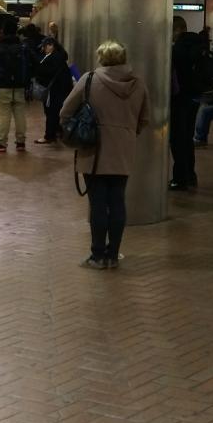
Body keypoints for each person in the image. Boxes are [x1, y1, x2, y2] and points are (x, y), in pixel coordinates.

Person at [61, 40, 149, 270]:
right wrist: (127, 134)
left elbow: (65, 112)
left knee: (98, 203)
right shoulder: (138, 84)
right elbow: (144, 118)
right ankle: (113, 254)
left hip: (94, 151)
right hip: (123, 150)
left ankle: (97, 256)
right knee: (117, 201)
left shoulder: (89, 79)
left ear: (101, 58)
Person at [0, 19, 32, 153]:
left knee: (4, 116)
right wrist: (27, 82)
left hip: (2, 86)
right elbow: (32, 65)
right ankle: (21, 142)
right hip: (20, 86)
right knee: (20, 115)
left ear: (3, 31)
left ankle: (1, 143)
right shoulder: (22, 47)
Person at [169, 15, 200, 189]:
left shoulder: (177, 50)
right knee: (187, 138)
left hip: (179, 99)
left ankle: (180, 178)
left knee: (177, 140)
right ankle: (190, 175)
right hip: (194, 98)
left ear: (178, 30)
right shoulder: (196, 45)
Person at [33, 36, 73, 145]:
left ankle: (49, 136)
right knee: (57, 112)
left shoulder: (52, 58)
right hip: (61, 89)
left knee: (51, 113)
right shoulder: (60, 57)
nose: (43, 49)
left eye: (45, 46)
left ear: (51, 46)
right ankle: (58, 132)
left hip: (53, 90)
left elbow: (45, 72)